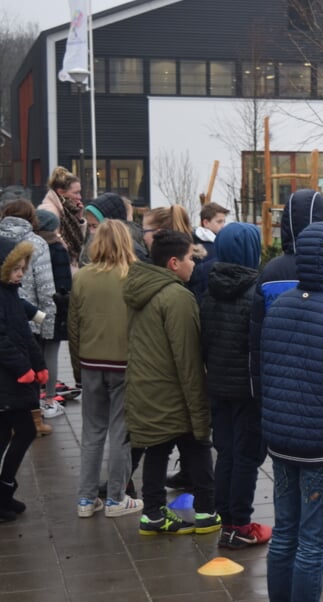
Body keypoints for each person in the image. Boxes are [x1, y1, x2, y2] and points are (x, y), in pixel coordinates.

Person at [249, 189, 323, 568]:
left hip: (280, 408)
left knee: (285, 528)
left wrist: (261, 404)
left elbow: (256, 344)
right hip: (321, 412)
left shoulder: (269, 275)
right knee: (316, 526)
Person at [123, 230, 218, 536]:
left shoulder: (142, 289)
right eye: (191, 258)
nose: (195, 264)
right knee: (199, 446)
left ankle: (153, 514)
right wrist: (199, 405)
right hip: (173, 390)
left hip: (147, 386)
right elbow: (187, 357)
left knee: (157, 448)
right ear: (174, 263)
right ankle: (206, 512)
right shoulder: (177, 296)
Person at [199, 222, 272, 549]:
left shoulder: (210, 290)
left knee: (226, 452)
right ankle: (241, 525)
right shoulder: (257, 293)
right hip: (249, 391)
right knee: (247, 457)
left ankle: (226, 519)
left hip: (218, 387)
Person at [68, 220, 143, 519]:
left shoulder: (83, 277)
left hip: (90, 362)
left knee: (92, 432)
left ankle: (86, 500)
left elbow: (74, 326)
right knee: (121, 432)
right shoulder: (134, 276)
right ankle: (115, 498)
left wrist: (77, 369)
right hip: (125, 363)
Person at [0, 237, 46, 522]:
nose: (20, 274)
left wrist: (39, 365)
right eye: (15, 269)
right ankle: (4, 490)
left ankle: (4, 490)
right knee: (22, 431)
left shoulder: (11, 293)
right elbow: (2, 340)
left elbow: (25, 334)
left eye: (22, 268)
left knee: (10, 433)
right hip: (7, 380)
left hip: (14, 379)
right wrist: (22, 369)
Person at [0, 202, 59, 421]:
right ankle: (34, 417)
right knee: (29, 369)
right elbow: (45, 286)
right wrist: (48, 322)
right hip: (29, 320)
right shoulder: (36, 243)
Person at [34, 211, 74, 410]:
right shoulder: (58, 249)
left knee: (37, 349)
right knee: (51, 350)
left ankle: (37, 392)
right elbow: (65, 284)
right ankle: (49, 396)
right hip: (55, 307)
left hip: (35, 308)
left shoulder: (31, 246)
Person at [38, 166, 86, 269]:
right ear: (61, 192)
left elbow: (78, 242)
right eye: (76, 193)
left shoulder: (67, 210)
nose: (80, 197)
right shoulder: (49, 212)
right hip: (58, 269)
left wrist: (78, 219)